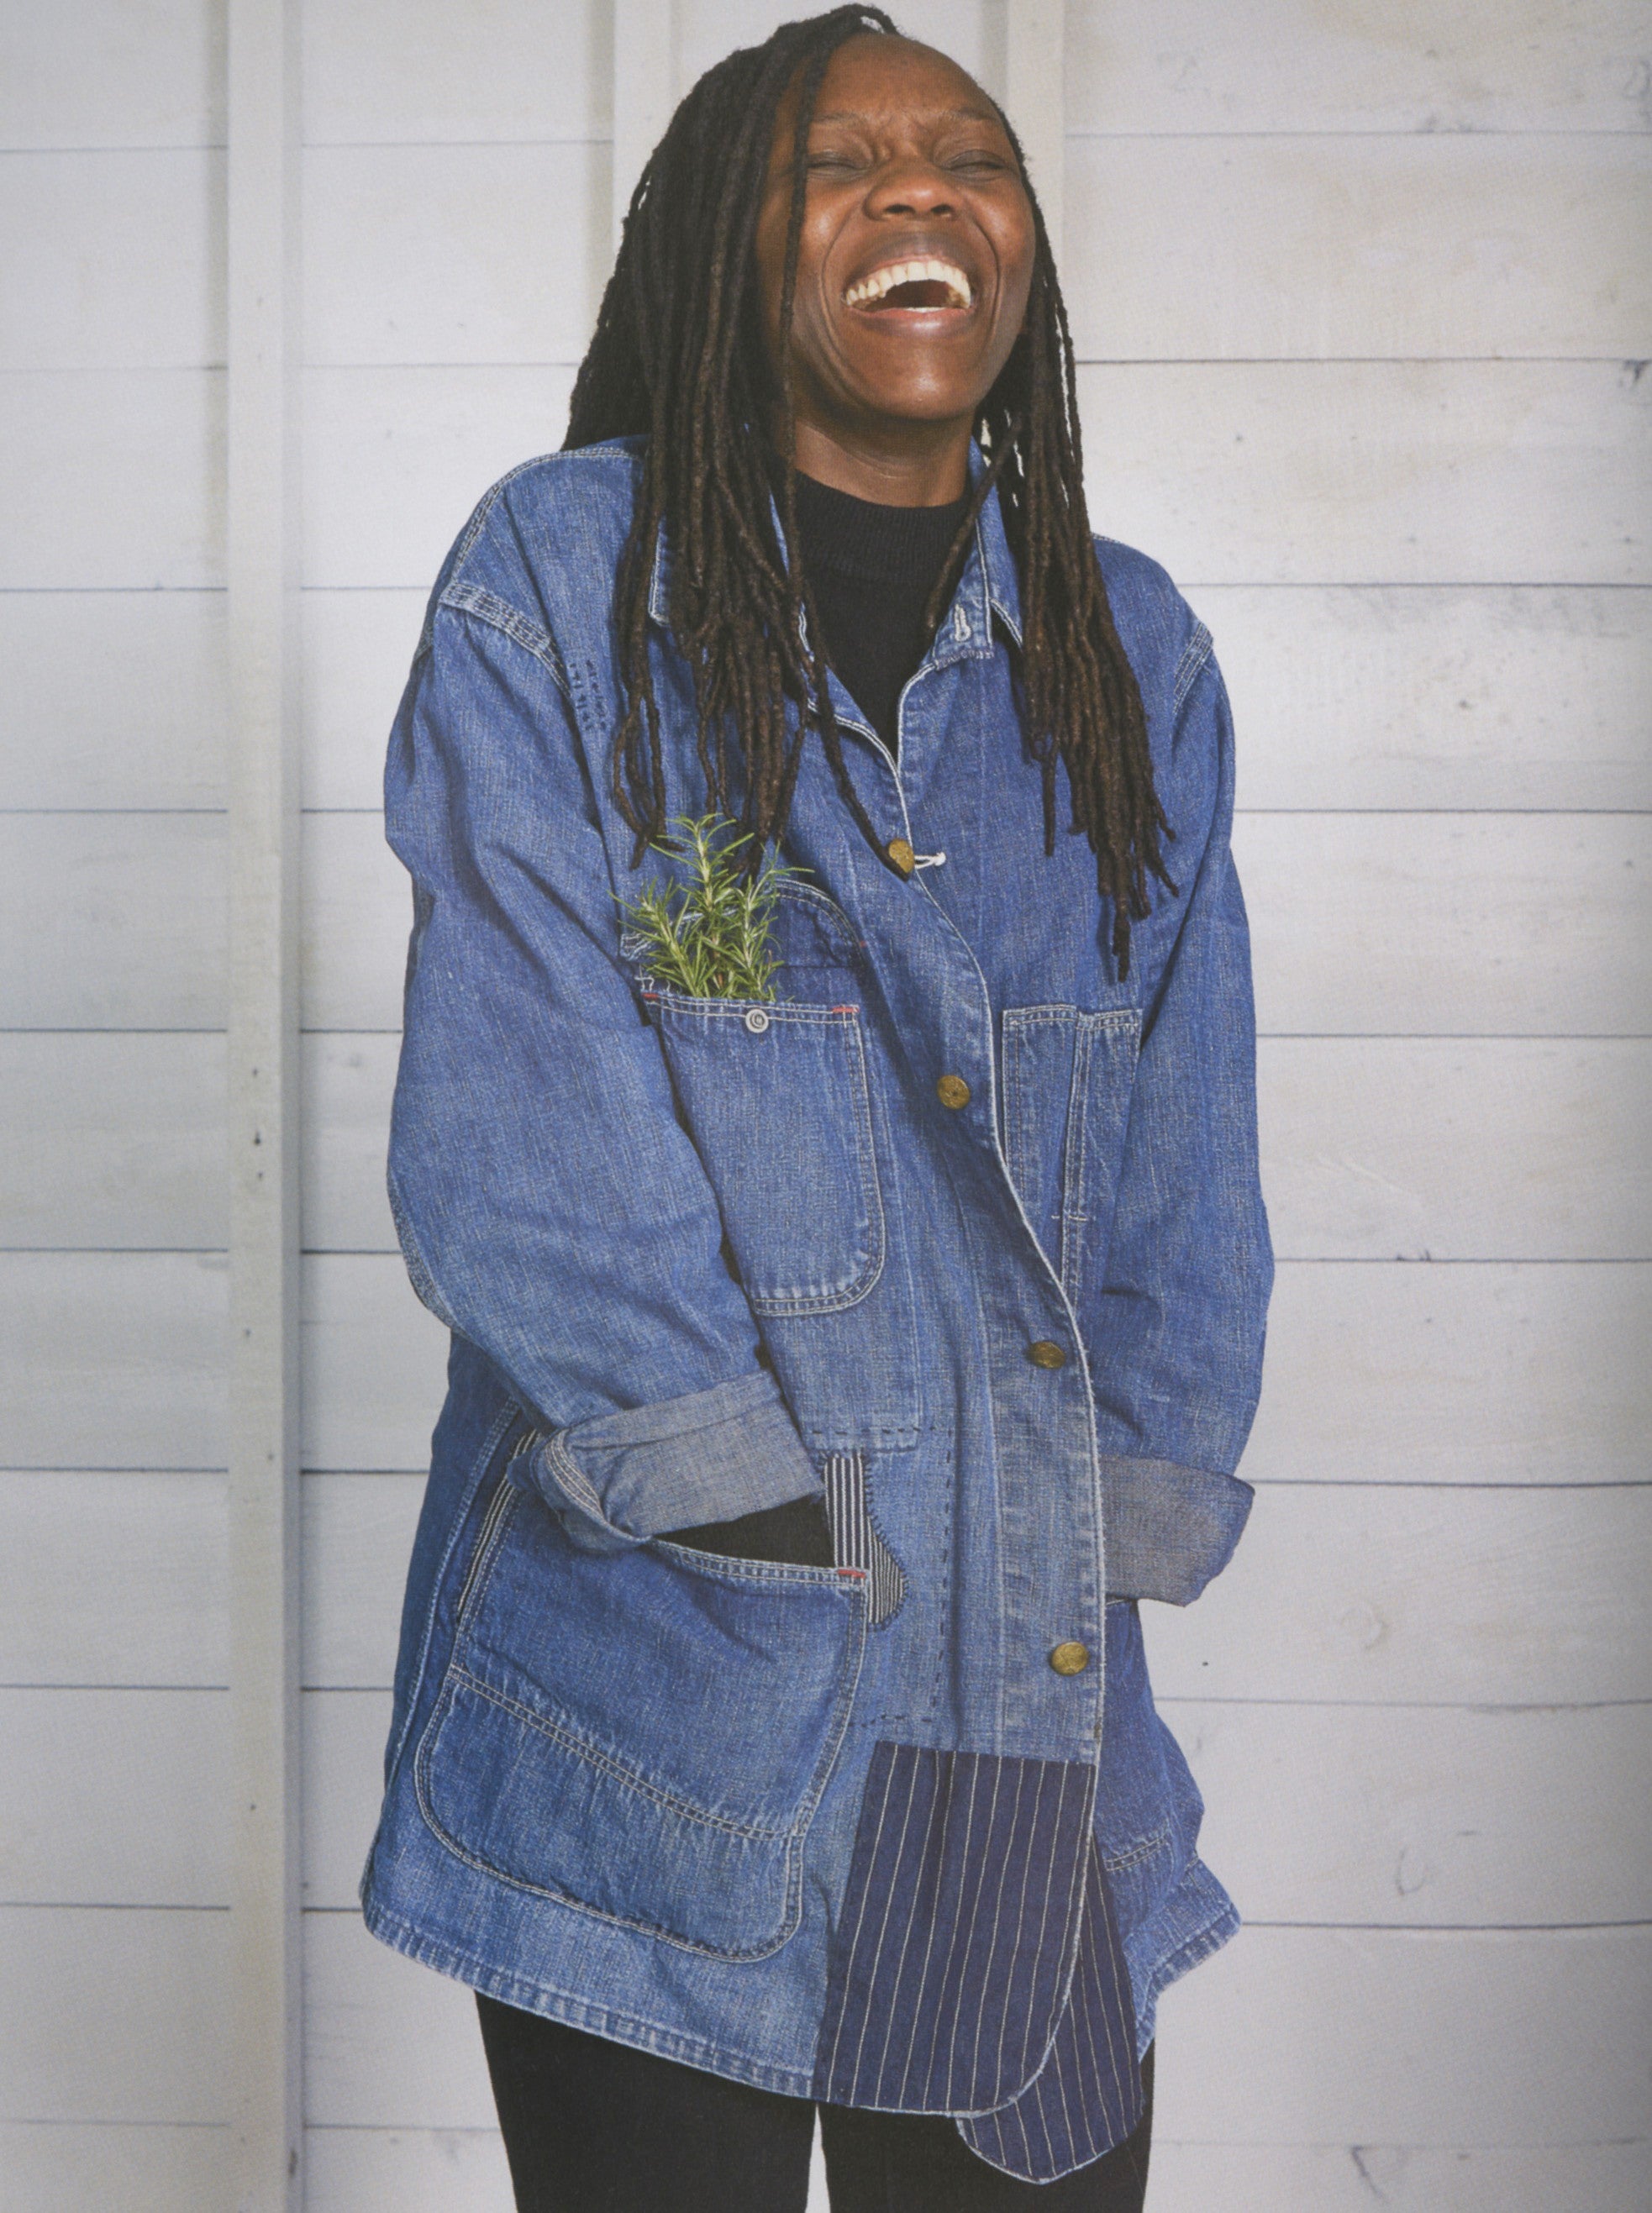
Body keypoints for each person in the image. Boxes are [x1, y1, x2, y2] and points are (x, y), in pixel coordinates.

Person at [361, 9, 1272, 2207]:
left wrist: (1131, 1501)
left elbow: (1186, 1129)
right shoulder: (565, 586)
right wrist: (750, 1505)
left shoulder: (1125, 653)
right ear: (722, 247)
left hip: (1009, 1710)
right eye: (836, 161)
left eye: (971, 152)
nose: (920, 184)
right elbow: (521, 1129)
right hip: (664, 1683)